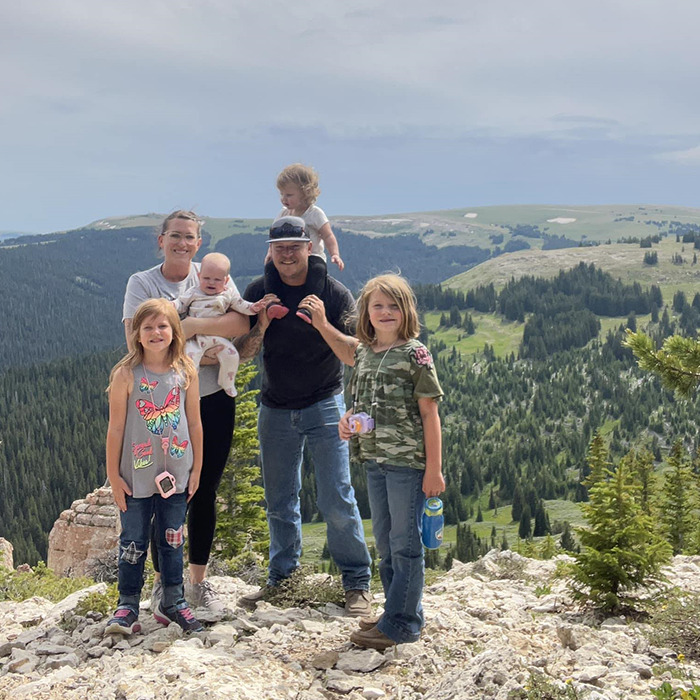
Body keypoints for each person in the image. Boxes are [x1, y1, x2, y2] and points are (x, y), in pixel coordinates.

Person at [123, 210, 270, 617]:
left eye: (190, 237)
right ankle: (162, 584)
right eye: (175, 236)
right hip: (164, 403)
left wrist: (177, 326)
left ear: (199, 243)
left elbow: (241, 323)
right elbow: (138, 342)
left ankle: (197, 584)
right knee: (162, 492)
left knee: (204, 490)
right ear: (161, 239)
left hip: (214, 398)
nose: (182, 243)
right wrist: (201, 331)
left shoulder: (210, 272)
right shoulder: (143, 282)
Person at [302, 274, 444, 650]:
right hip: (375, 460)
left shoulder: (415, 354)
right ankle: (393, 612)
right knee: (384, 539)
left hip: (407, 462)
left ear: (406, 311)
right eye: (377, 306)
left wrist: (434, 469)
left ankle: (403, 623)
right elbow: (361, 399)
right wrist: (347, 421)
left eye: (393, 306)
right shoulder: (365, 352)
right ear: (365, 311)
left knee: (405, 544)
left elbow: (430, 414)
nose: (385, 312)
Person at [238, 218, 373, 617]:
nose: (287, 253)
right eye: (279, 247)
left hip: (325, 404)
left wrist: (322, 323)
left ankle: (357, 583)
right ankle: (282, 580)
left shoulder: (333, 292)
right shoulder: (257, 291)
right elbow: (244, 352)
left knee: (336, 496)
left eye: (295, 246)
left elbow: (355, 355)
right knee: (279, 500)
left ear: (309, 247)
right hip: (275, 408)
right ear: (270, 250)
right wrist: (261, 322)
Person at [105, 298, 204, 635]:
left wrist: (197, 468)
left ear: (174, 331)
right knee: (132, 541)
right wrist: (113, 477)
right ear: (137, 333)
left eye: (162, 326)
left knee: (173, 539)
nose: (155, 332)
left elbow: (195, 423)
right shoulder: (125, 374)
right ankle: (127, 605)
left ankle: (173, 602)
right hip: (135, 476)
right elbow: (116, 428)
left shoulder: (185, 371)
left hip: (177, 475)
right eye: (147, 327)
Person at [173, 252, 265, 397]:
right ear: (198, 277)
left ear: (226, 280)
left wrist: (254, 307)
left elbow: (241, 305)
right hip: (195, 339)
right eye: (206, 278)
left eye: (217, 280)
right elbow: (180, 303)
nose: (211, 283)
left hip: (217, 339)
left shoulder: (228, 294)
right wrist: (170, 305)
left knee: (232, 355)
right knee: (190, 359)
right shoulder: (194, 292)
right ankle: (189, 388)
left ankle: (226, 381)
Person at [265, 163, 343, 322]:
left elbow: (328, 236)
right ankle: (274, 302)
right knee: (270, 269)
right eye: (282, 194)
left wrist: (334, 254)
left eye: (289, 195)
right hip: (289, 256)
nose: (284, 199)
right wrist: (270, 254)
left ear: (305, 193)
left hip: (313, 256)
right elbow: (275, 237)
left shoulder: (315, 213)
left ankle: (309, 306)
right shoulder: (283, 213)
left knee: (318, 270)